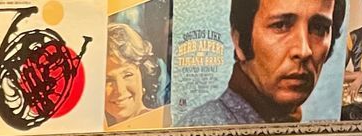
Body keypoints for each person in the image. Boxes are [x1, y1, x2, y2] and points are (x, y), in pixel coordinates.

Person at [180, 0, 345, 122]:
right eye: (280, 25)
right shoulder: (202, 131)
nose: (304, 51)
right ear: (240, 41)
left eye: (319, 28)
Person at [106, 19, 168, 127]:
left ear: (143, 75)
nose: (120, 90)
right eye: (107, 80)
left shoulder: (163, 124)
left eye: (128, 75)